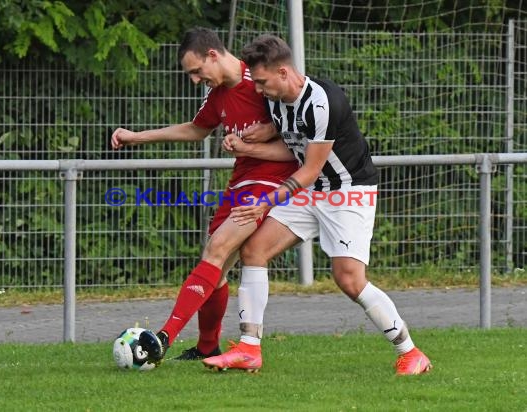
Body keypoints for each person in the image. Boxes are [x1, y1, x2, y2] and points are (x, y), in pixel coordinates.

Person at [202, 34, 432, 375]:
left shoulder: (324, 102)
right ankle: (249, 348)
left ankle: (411, 353)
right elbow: (293, 150)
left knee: (349, 279)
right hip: (311, 189)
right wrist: (247, 147)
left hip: (348, 191)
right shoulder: (276, 101)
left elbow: (309, 169)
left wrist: (265, 203)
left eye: (263, 82)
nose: (259, 90)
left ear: (283, 72)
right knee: (254, 250)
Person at [111, 28, 298, 363]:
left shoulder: (261, 78)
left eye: (197, 71)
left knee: (217, 249)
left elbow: (300, 120)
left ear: (213, 54)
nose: (195, 80)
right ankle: (208, 346)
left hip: (272, 182)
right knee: (218, 268)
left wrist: (267, 132)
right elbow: (197, 129)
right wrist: (137, 137)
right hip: (241, 181)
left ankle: (163, 338)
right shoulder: (219, 95)